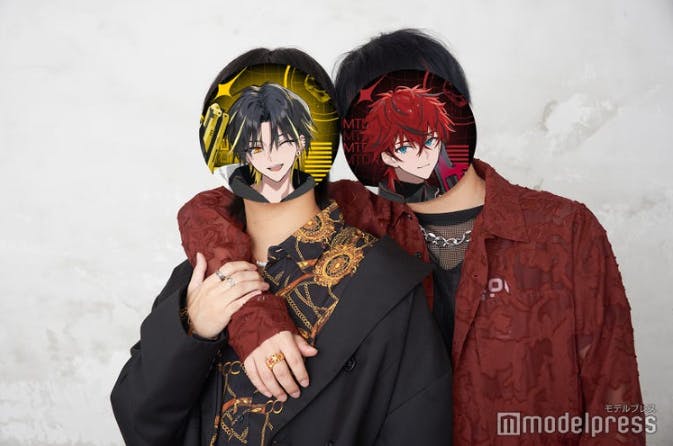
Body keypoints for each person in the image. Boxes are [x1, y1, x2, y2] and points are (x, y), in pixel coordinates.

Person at [219, 30, 645, 445]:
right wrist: (254, 320)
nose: (414, 149)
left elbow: (615, 399)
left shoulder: (562, 229)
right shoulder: (352, 216)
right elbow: (217, 210)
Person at [110, 47, 452, 446]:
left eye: (285, 140)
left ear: (314, 140)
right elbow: (137, 423)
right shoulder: (197, 274)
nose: (272, 159)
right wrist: (194, 331)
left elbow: (417, 426)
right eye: (254, 146)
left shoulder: (384, 283)